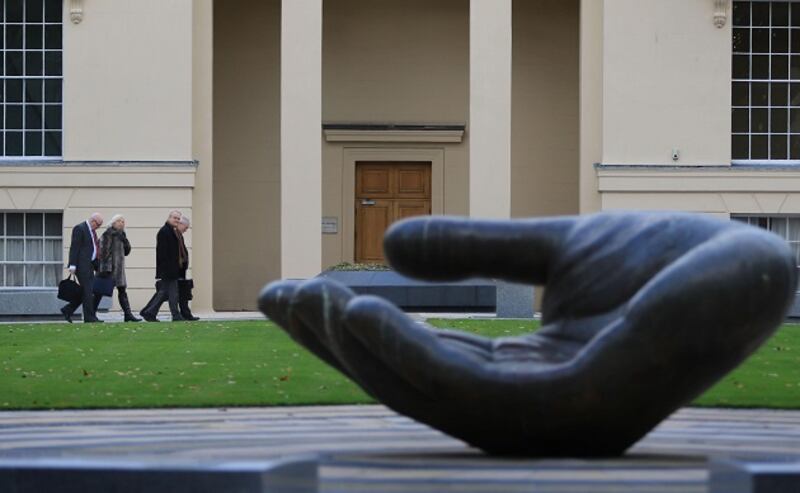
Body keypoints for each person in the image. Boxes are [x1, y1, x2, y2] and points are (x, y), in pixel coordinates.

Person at [94, 214, 140, 322]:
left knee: (122, 291)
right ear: (113, 222)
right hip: (109, 270)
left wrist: (125, 240)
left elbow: (127, 251)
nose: (122, 223)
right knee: (99, 292)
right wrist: (106, 269)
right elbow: (104, 253)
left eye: (123, 221)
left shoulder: (121, 235)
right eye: (119, 221)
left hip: (119, 270)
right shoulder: (108, 234)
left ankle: (128, 314)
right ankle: (91, 313)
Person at [139, 210, 184, 322]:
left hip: (171, 269)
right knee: (168, 292)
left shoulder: (171, 231)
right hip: (168, 269)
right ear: (169, 217)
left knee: (167, 292)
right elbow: (162, 253)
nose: (177, 220)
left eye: (178, 218)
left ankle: (152, 312)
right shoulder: (164, 232)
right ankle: (170, 314)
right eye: (175, 218)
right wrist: (167, 268)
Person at [60, 212, 104, 323]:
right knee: (88, 292)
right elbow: (74, 247)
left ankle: (68, 310)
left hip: (89, 265)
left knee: (86, 292)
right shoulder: (80, 228)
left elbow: (93, 248)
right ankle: (89, 318)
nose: (98, 227)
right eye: (98, 225)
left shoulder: (91, 231)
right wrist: (72, 265)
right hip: (81, 266)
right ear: (93, 221)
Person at [176, 215, 200, 321]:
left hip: (181, 269)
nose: (186, 230)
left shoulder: (179, 235)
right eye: (185, 228)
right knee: (179, 293)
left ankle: (185, 313)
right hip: (177, 269)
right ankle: (149, 311)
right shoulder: (176, 235)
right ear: (181, 224)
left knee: (183, 293)